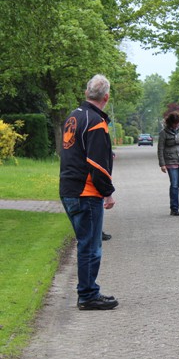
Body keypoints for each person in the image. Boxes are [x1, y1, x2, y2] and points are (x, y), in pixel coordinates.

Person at [59, 74, 118, 310]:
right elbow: (97, 164)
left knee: (85, 243)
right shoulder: (96, 122)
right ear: (107, 97)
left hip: (68, 188)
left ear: (86, 93)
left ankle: (87, 291)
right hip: (86, 192)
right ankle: (88, 295)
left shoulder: (73, 117)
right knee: (90, 247)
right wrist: (108, 192)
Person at [157, 111, 179, 216]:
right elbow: (160, 149)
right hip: (170, 162)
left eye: (177, 123)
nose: (176, 125)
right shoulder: (163, 133)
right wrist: (162, 164)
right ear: (170, 122)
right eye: (174, 123)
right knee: (174, 185)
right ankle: (174, 208)